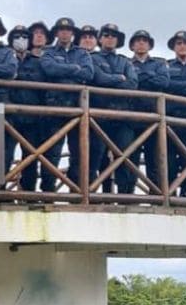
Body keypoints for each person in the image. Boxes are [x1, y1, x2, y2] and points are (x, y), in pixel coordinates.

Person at [40, 17, 95, 188]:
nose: (65, 33)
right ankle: (48, 192)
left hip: (77, 109)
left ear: (72, 33)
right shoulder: (48, 51)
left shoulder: (82, 53)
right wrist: (74, 69)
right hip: (54, 108)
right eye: (61, 30)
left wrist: (63, 70)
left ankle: (76, 191)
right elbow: (49, 69)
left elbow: (88, 74)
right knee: (52, 153)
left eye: (68, 30)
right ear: (56, 33)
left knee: (78, 153)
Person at [89, 23, 139, 194]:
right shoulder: (92, 58)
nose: (110, 38)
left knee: (125, 156)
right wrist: (119, 78)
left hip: (123, 117)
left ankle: (126, 195)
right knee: (96, 157)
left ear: (118, 40)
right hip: (99, 116)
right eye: (107, 35)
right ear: (100, 38)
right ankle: (91, 194)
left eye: (113, 36)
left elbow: (133, 84)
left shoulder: (125, 61)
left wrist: (112, 80)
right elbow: (98, 78)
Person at [126, 30, 171, 192]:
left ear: (150, 44)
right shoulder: (126, 63)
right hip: (131, 118)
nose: (141, 43)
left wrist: (139, 76)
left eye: (144, 40)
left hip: (154, 118)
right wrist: (149, 77)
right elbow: (128, 83)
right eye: (137, 41)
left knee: (155, 159)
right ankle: (128, 195)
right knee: (130, 158)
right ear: (132, 45)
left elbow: (164, 81)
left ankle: (157, 195)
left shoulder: (159, 63)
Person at [6, 25, 50, 190]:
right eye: (17, 37)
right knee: (5, 156)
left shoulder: (38, 62)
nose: (21, 40)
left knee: (31, 157)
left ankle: (28, 192)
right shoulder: (6, 59)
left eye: (24, 37)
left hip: (32, 117)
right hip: (9, 117)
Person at [166, 30, 186, 197]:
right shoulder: (167, 66)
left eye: (185, 43)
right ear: (174, 47)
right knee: (169, 159)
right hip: (171, 119)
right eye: (179, 43)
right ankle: (170, 193)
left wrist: (178, 87)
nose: (182, 46)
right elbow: (165, 85)